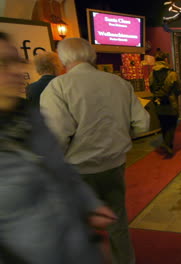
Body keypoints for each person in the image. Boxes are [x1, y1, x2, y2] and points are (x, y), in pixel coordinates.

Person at [0, 32, 116, 263]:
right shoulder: (116, 82)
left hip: (78, 247)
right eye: (2, 64)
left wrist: (89, 205)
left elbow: (61, 169)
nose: (15, 71)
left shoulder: (30, 115)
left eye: (16, 61)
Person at [40, 38, 150, 264]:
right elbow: (143, 124)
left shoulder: (58, 87)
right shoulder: (119, 83)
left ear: (62, 59)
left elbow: (58, 134)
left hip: (77, 170)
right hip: (114, 165)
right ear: (93, 56)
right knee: (117, 221)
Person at [150, 54, 180, 157]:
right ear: (165, 60)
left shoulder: (152, 74)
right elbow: (177, 90)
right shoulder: (172, 74)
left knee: (163, 124)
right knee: (172, 125)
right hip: (171, 103)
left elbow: (151, 88)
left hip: (158, 103)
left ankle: (165, 143)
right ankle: (168, 145)